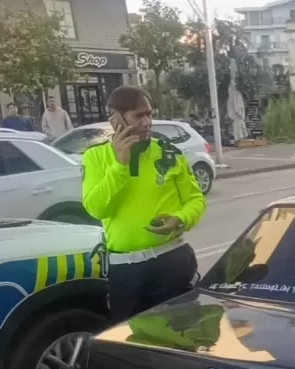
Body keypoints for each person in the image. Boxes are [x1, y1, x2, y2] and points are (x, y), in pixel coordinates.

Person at [82, 85, 206, 322]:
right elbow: (96, 208)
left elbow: (195, 199)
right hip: (126, 270)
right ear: (116, 120)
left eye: (149, 114)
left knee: (182, 337)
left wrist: (181, 219)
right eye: (139, 115)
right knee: (131, 342)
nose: (148, 122)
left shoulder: (170, 154)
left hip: (173, 262)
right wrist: (120, 167)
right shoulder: (95, 157)